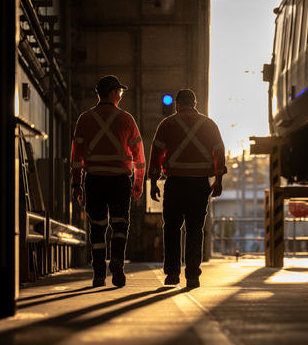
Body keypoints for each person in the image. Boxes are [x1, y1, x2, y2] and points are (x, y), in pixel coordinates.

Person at [70, 75, 145, 287]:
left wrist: (76, 184)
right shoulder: (126, 119)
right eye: (119, 92)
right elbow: (139, 156)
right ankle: (118, 262)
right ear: (112, 93)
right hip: (120, 181)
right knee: (120, 224)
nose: (121, 95)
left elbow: (76, 157)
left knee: (97, 227)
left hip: (94, 180)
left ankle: (99, 274)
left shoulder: (85, 119)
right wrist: (138, 182)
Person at [148, 89, 226, 289]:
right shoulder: (209, 124)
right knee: (195, 230)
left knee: (172, 228)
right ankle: (192, 276)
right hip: (200, 184)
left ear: (177, 105)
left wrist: (155, 181)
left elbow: (156, 153)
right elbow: (218, 151)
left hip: (175, 183)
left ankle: (172, 274)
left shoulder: (167, 124)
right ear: (195, 103)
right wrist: (218, 179)